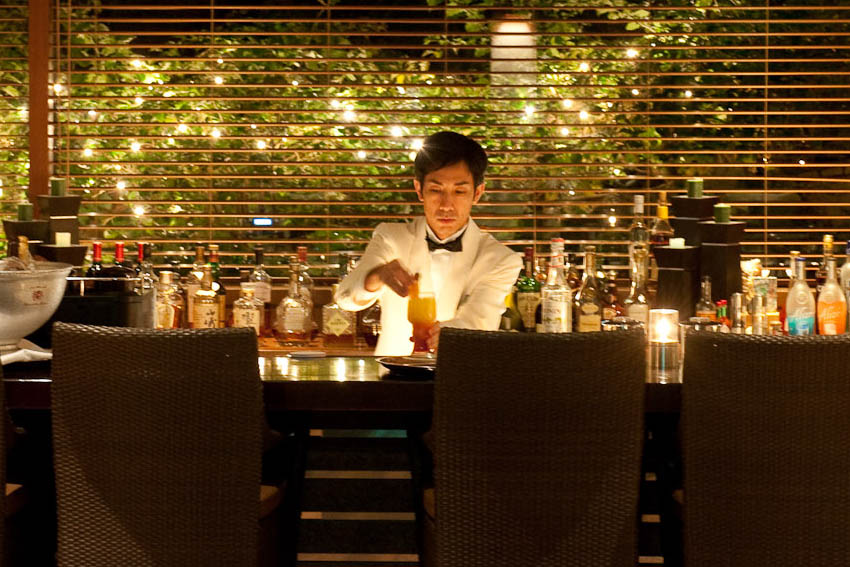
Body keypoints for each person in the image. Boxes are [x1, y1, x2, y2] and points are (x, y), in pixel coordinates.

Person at [336, 131, 522, 356]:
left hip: (459, 374)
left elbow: (480, 319)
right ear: (419, 189)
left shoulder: (501, 260)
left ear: (477, 193)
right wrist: (378, 275)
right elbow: (345, 298)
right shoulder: (391, 237)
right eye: (436, 190)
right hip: (393, 374)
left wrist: (446, 334)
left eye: (459, 191)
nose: (446, 205)